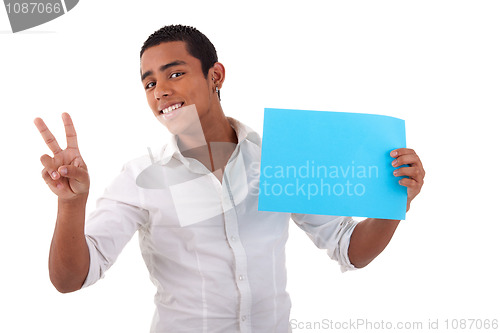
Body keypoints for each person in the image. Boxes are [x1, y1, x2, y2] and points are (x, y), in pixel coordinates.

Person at [34, 25, 425, 333]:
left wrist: (392, 202)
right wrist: (71, 204)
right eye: (150, 83)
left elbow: (349, 249)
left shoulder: (279, 159)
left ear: (215, 75)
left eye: (175, 73)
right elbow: (70, 280)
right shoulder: (140, 178)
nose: (161, 91)